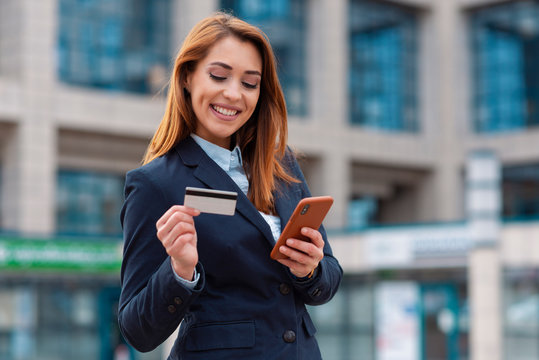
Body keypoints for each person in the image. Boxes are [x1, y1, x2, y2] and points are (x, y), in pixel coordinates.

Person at [118, 12, 343, 360]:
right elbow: (137, 330)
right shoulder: (155, 183)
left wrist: (311, 269)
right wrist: (179, 270)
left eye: (250, 83)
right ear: (188, 77)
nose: (234, 94)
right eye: (219, 75)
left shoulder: (281, 165)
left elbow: (327, 279)